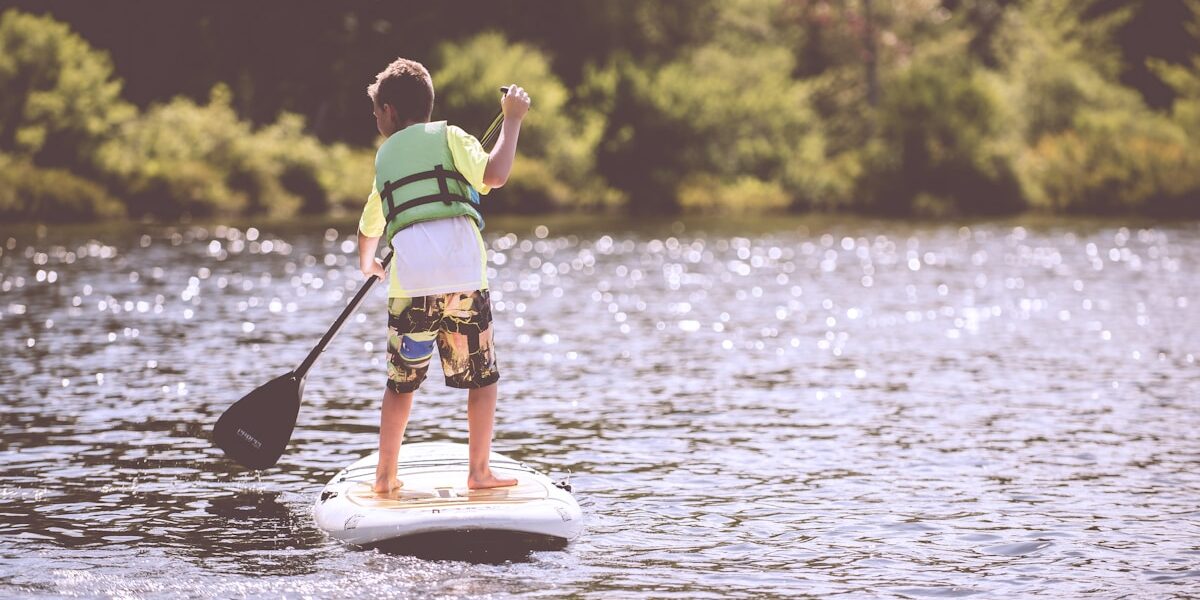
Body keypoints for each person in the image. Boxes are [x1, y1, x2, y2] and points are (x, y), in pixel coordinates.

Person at [356, 57, 530, 494]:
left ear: (390, 111)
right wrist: (512, 122)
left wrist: (368, 263)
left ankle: (384, 477)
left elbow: (369, 226)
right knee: (482, 379)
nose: (376, 118)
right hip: (464, 282)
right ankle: (479, 472)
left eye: (377, 110)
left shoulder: (384, 158)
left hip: (411, 288)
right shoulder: (451, 136)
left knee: (400, 386)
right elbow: (495, 173)